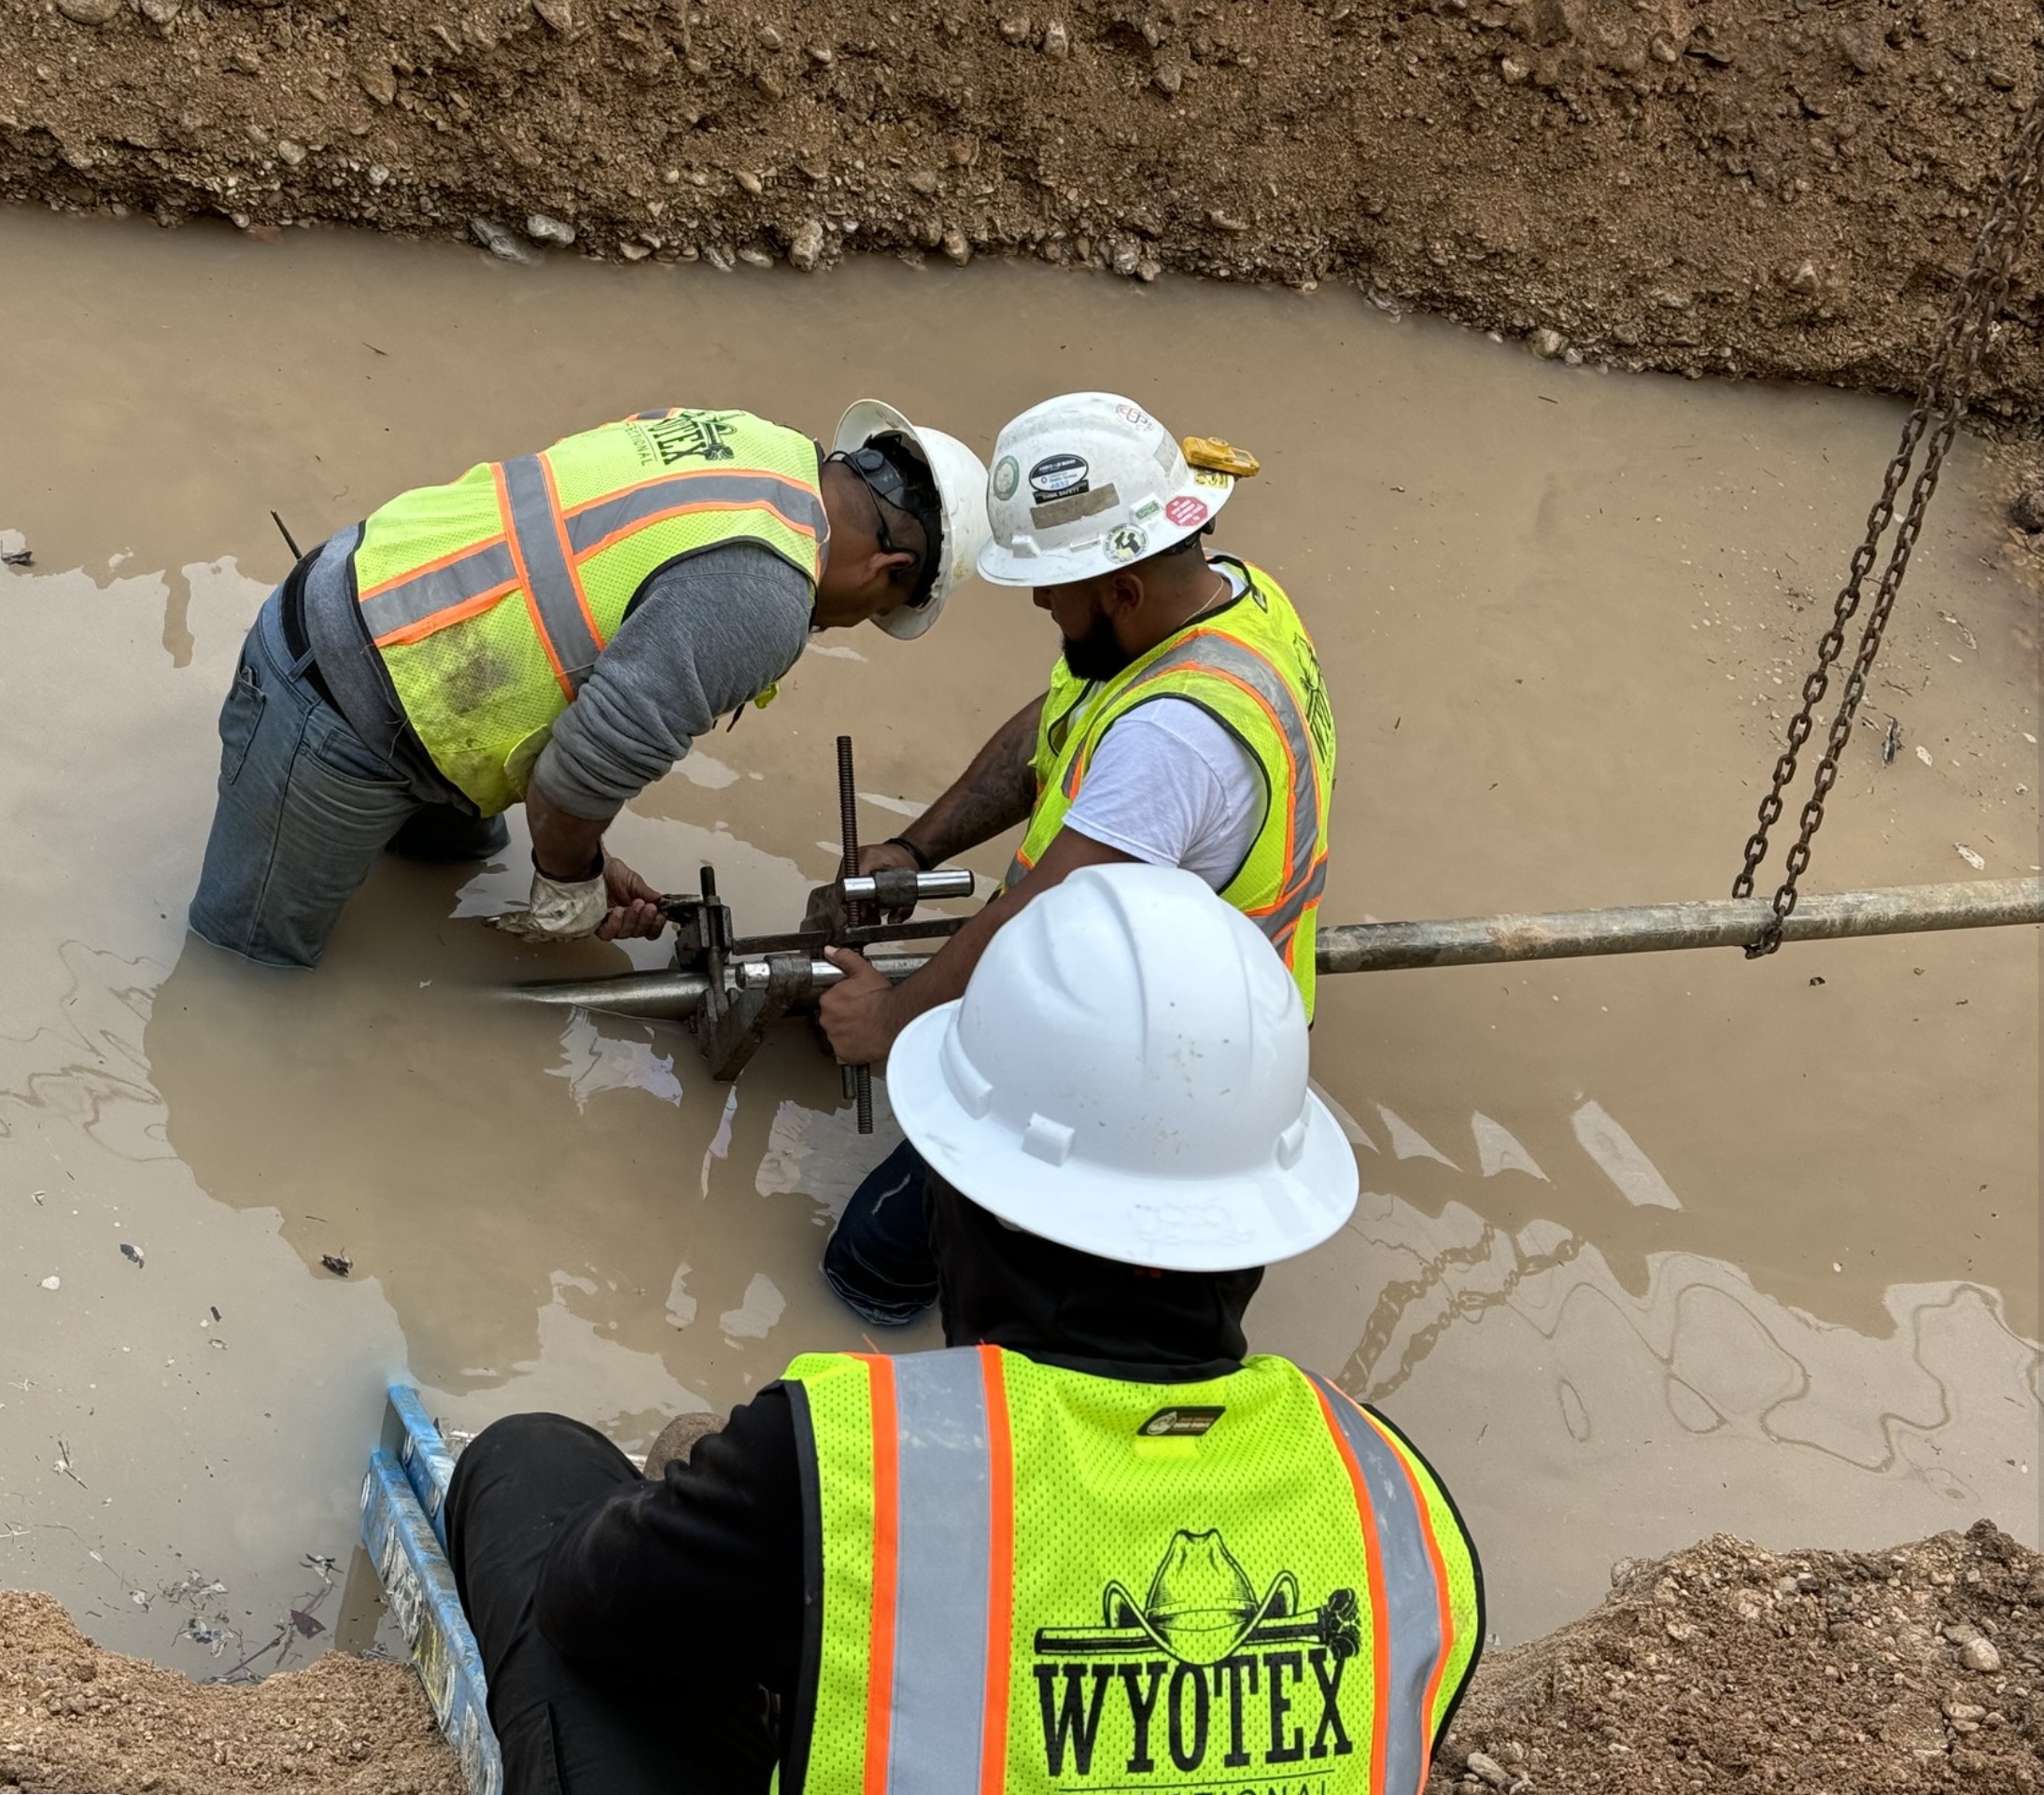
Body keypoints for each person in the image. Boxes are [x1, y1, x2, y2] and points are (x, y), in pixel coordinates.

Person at [443, 865, 1481, 1795]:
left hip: (770, 1530)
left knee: (529, 1465)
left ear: (954, 1198)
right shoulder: (1398, 1507)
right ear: (1255, 1224)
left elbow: (592, 1608)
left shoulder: (857, 1455)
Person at [817, 391, 1338, 1324]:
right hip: (1185, 1005)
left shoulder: (1174, 742)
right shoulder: (1220, 599)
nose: (1042, 606)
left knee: (870, 1263)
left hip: (1171, 1067)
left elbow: (1040, 917)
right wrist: (914, 846)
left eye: (1052, 591)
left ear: (1122, 589)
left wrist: (890, 1016)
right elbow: (1054, 727)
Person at [188, 402, 988, 968]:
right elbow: (576, 779)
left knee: (455, 869)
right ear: (891, 570)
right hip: (336, 696)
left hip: (403, 619)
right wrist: (569, 878)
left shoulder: (756, 444)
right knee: (246, 972)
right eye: (869, 615)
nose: (837, 627)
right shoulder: (769, 594)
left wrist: (582, 856)